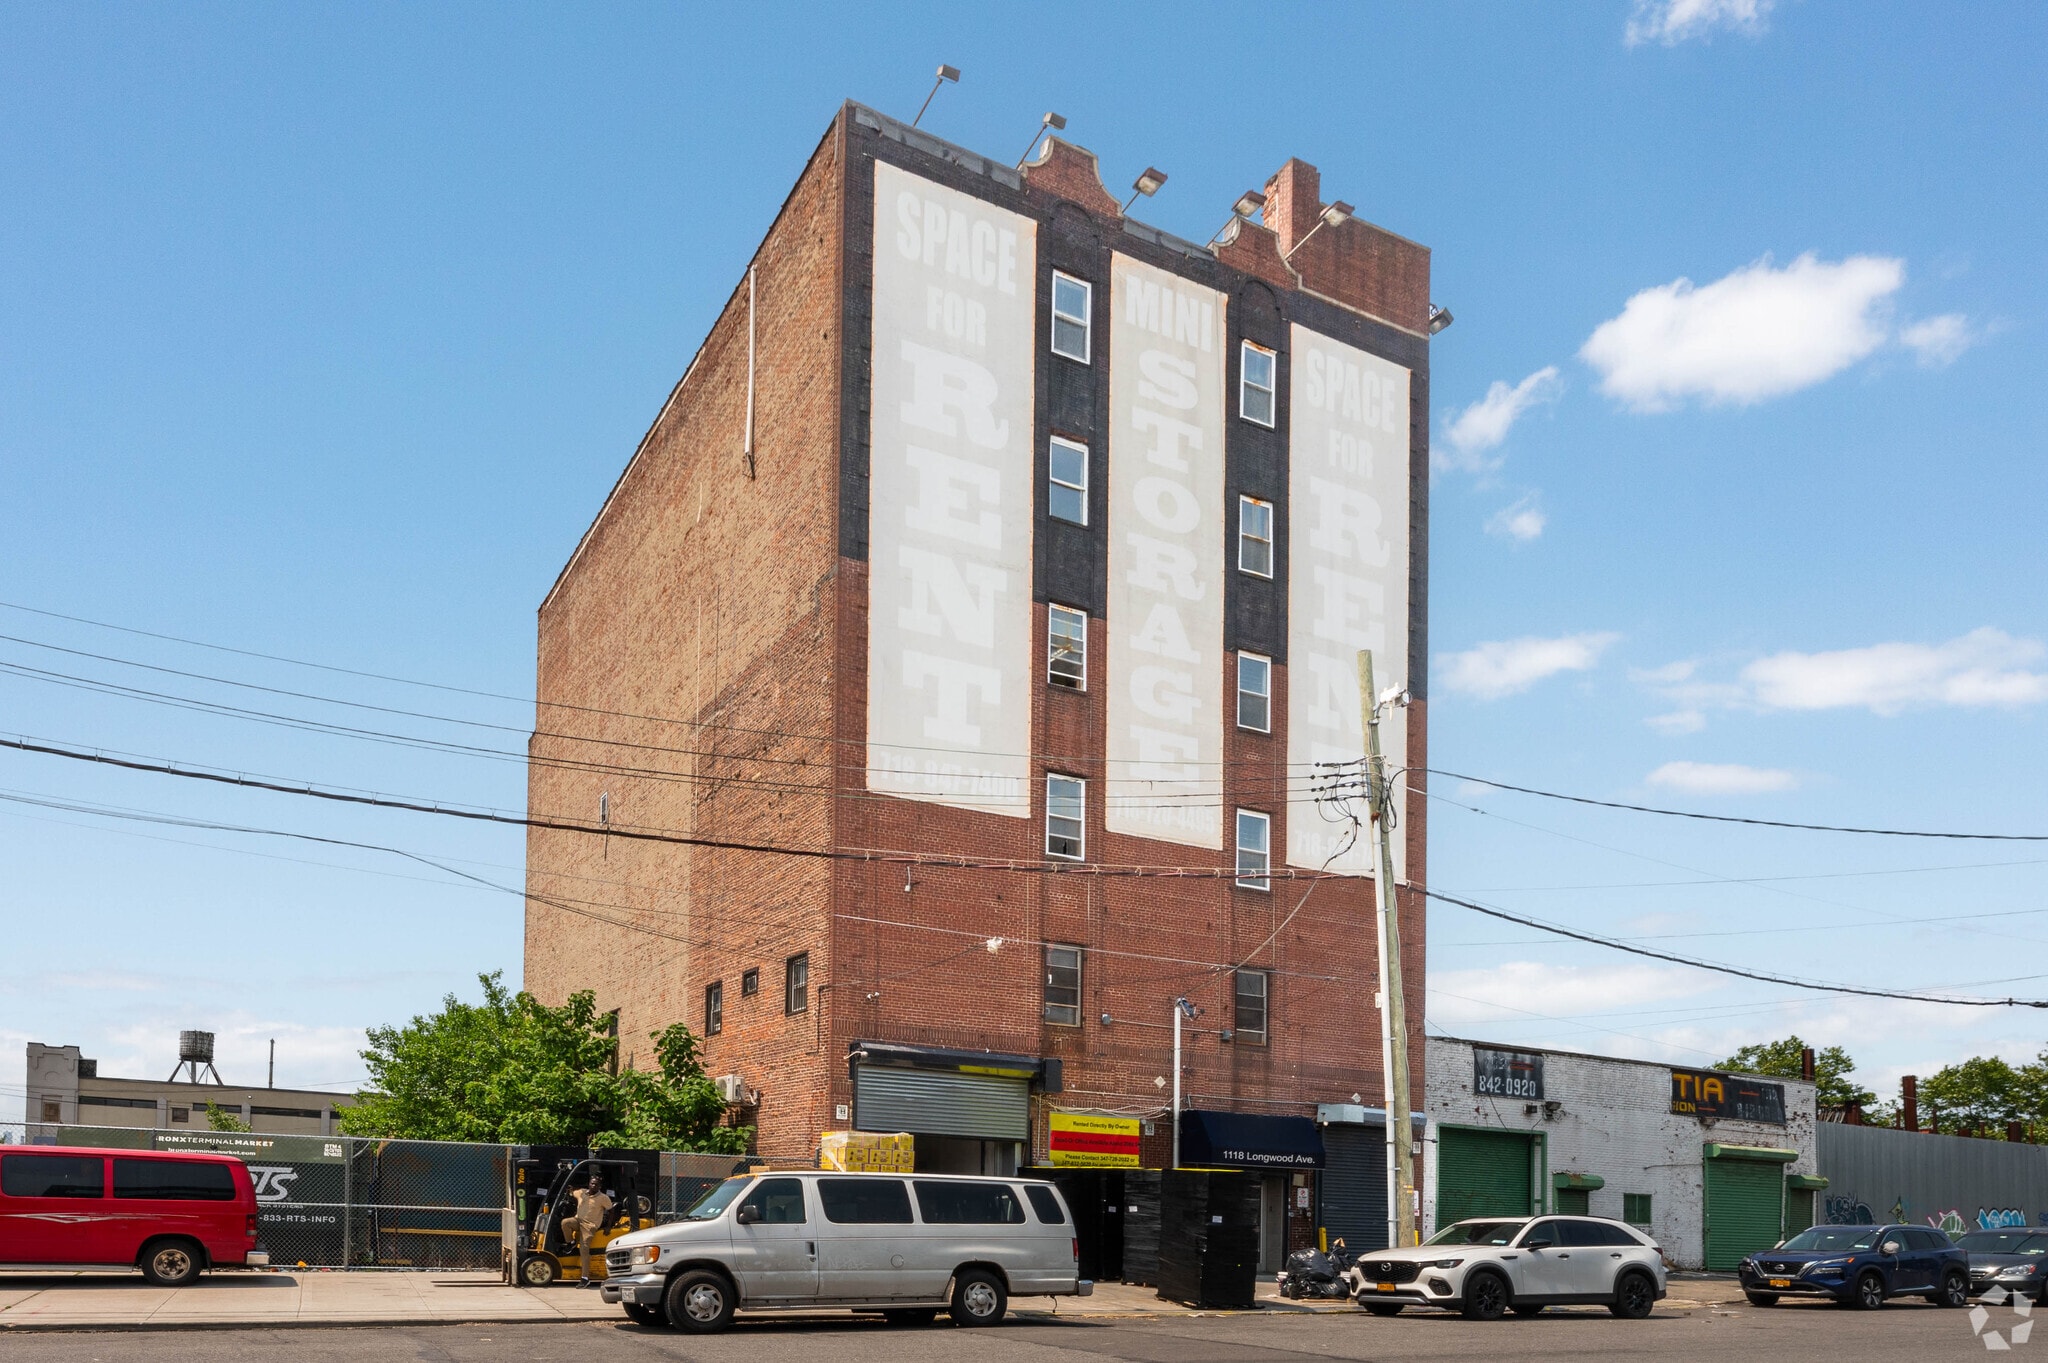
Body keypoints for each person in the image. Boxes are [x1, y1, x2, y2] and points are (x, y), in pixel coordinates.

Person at [567, 1171, 614, 1287]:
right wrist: (569, 1190)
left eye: (596, 1184)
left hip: (589, 1226)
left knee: (584, 1248)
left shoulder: (603, 1198)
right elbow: (572, 1192)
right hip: (578, 1221)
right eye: (592, 1183)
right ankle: (571, 1243)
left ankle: (585, 1278)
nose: (593, 1186)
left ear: (599, 1186)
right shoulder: (582, 1193)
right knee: (565, 1223)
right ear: (589, 1184)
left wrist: (609, 1226)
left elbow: (611, 1211)